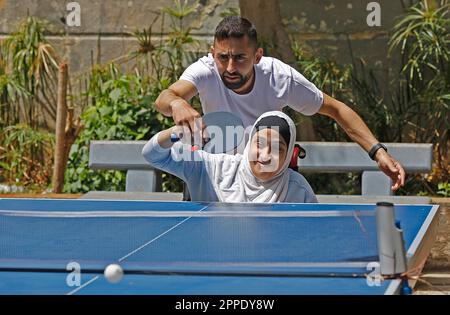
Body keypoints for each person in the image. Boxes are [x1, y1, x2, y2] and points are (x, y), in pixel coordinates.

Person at [154, 16, 405, 192]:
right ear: (213, 53)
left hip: (268, 179)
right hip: (216, 176)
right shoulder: (205, 70)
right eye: (223, 57)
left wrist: (378, 152)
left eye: (240, 58)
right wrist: (177, 103)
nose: (230, 67)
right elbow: (164, 98)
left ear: (257, 55)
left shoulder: (279, 77)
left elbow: (337, 109)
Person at [142, 111, 317, 203]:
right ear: (249, 143)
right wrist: (176, 133)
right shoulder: (210, 168)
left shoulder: (298, 189)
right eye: (259, 144)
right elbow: (152, 155)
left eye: (277, 149)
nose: (265, 156)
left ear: (287, 156)